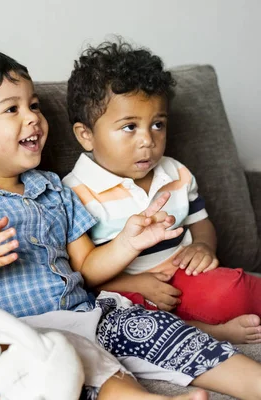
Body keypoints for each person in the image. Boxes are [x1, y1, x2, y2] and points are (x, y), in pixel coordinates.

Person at [0, 45, 261, 400]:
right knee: (85, 367)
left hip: (88, 313)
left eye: (34, 105)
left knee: (163, 331)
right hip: (18, 332)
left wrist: (127, 243)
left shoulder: (55, 190)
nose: (32, 117)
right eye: (12, 109)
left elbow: (87, 267)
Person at [62, 39, 261, 345]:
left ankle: (208, 323)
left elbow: (200, 221)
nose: (147, 140)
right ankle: (211, 332)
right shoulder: (75, 192)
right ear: (86, 135)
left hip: (183, 275)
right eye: (130, 127)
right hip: (125, 289)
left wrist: (204, 247)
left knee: (234, 290)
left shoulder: (174, 172)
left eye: (157, 124)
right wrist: (135, 284)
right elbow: (82, 272)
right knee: (117, 317)